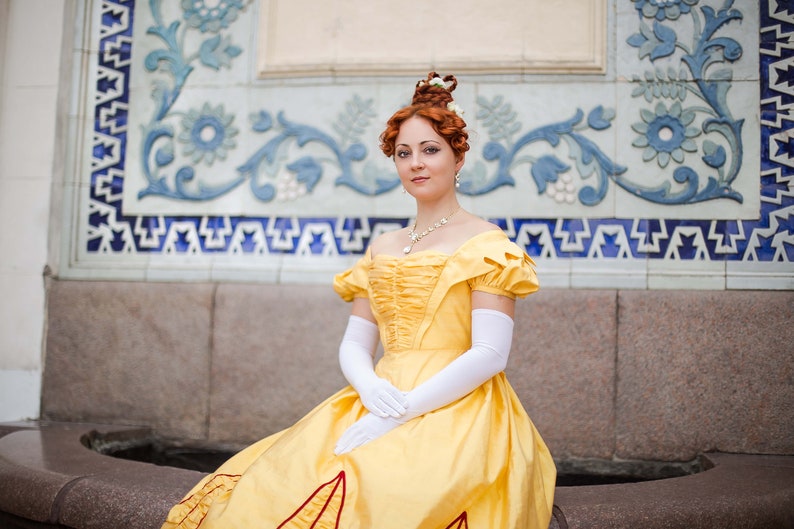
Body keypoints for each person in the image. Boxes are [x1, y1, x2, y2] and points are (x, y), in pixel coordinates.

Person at [160, 72, 556, 529]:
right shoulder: (383, 246)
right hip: (378, 393)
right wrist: (370, 389)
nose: (416, 164)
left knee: (386, 490)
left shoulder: (488, 242)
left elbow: (490, 353)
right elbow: (354, 342)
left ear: (457, 156)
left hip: (457, 404)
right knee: (287, 481)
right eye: (403, 153)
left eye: (430, 150)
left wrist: (402, 411)